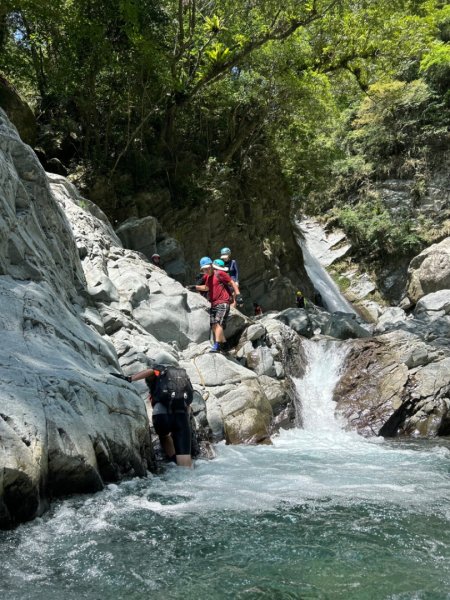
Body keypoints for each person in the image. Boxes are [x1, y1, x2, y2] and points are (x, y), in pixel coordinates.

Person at [111, 353, 193, 468]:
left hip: (161, 414)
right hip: (182, 415)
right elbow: (188, 402)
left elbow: (150, 371)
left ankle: (173, 463)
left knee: (164, 435)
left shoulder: (160, 369)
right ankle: (183, 468)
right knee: (185, 460)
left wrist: (130, 378)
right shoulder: (182, 375)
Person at [191, 256, 241, 352]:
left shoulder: (220, 273)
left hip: (223, 302)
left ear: (211, 265)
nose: (206, 270)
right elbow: (206, 288)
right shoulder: (207, 277)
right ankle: (225, 345)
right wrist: (195, 287)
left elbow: (232, 282)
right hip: (213, 304)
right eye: (204, 269)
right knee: (214, 325)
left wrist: (238, 295)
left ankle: (217, 345)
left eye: (208, 267)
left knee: (219, 324)